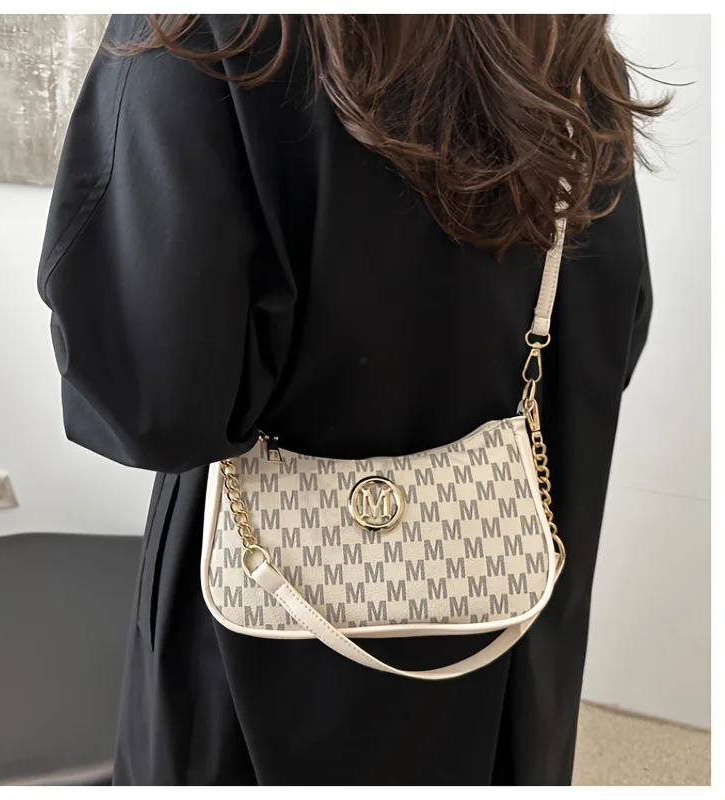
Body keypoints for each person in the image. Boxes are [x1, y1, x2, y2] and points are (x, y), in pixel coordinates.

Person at [37, 14, 664, 786]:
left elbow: (150, 399)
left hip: (257, 649)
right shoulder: (572, 60)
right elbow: (612, 337)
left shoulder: (220, 31)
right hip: (506, 634)